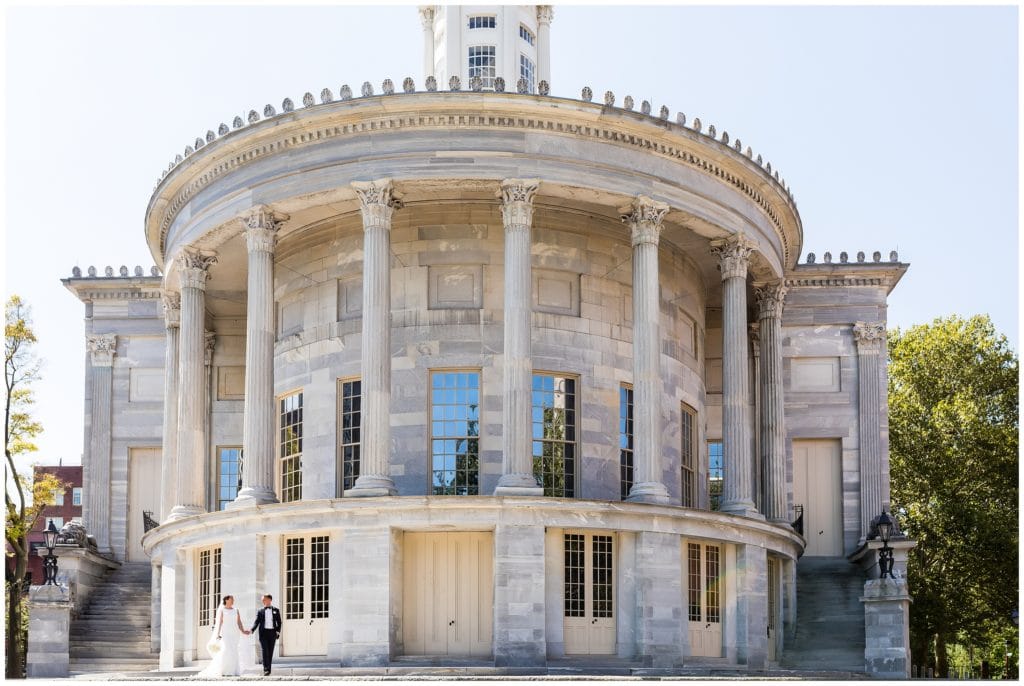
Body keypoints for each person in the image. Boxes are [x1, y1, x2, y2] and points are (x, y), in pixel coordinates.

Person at [198, 595, 251, 678]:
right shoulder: (222, 610)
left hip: (235, 633)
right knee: (226, 650)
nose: (233, 600)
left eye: (233, 599)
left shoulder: (236, 610)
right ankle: (225, 670)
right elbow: (220, 623)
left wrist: (243, 631)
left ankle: (233, 670)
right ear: (226, 600)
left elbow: (239, 622)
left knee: (233, 650)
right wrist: (218, 634)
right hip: (226, 633)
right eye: (231, 599)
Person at [251, 593, 282, 676]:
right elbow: (256, 622)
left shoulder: (276, 610)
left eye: (264, 599)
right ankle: (266, 670)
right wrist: (252, 630)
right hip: (263, 633)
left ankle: (269, 669)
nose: (262, 600)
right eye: (262, 599)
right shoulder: (260, 611)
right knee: (265, 651)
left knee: (270, 652)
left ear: (269, 599)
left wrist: (278, 632)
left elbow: (279, 622)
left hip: (272, 633)